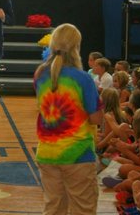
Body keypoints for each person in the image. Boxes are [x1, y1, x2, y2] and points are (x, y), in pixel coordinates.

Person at [32, 23, 102, 215]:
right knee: (83, 210)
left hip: (47, 152)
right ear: (76, 47)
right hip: (77, 154)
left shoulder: (40, 75)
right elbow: (95, 118)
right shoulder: (83, 78)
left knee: (54, 209)